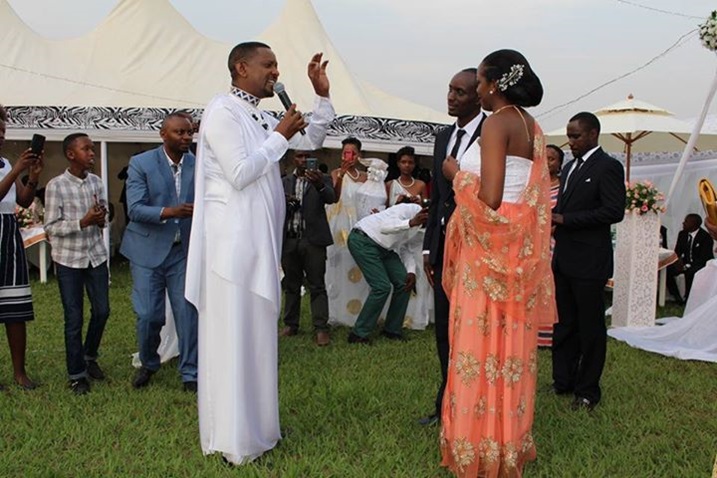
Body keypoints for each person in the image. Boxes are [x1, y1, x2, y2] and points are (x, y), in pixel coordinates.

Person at [185, 42, 334, 465]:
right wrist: (279, 137)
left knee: (256, 342)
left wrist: (321, 96)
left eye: (277, 66)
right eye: (268, 65)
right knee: (234, 341)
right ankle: (234, 440)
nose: (275, 72)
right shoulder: (223, 111)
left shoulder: (262, 115)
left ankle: (260, 430)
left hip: (258, 243)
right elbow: (239, 173)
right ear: (241, 67)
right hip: (231, 248)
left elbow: (311, 139)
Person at [438, 50, 554, 477]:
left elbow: (489, 197)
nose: (479, 90)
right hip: (515, 247)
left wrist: (455, 175)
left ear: (494, 84)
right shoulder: (531, 125)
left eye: (482, 82)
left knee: (479, 343)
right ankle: (506, 442)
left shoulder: (496, 123)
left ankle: (477, 447)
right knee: (509, 348)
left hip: (487, 248)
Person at [418, 68, 485, 427]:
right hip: (445, 245)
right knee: (444, 327)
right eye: (449, 90)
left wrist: (458, 176)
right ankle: (446, 402)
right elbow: (437, 200)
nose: (451, 97)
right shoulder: (443, 136)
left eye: (460, 92)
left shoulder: (493, 133)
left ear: (479, 95)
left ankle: (473, 406)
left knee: (472, 328)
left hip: (478, 247)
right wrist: (430, 248)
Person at [551, 111, 626, 411]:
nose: (570, 142)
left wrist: (566, 219)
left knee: (590, 327)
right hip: (564, 258)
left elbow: (613, 211)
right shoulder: (569, 167)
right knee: (564, 323)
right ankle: (563, 380)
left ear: (593, 134)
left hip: (590, 261)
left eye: (576, 136)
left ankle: (587, 390)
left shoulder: (608, 166)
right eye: (569, 136)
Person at [120, 113, 198, 392]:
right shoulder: (141, 163)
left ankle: (190, 373)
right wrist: (171, 212)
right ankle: (149, 362)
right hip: (146, 250)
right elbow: (135, 208)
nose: (186, 137)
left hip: (183, 251)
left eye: (189, 132)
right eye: (180, 132)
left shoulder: (199, 163)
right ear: (163, 134)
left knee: (187, 313)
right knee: (148, 315)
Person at [44, 133, 110, 395]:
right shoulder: (56, 186)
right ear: (71, 154)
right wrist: (82, 222)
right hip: (68, 260)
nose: (92, 153)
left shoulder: (96, 182)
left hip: (96, 256)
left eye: (93, 149)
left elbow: (103, 216)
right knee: (74, 318)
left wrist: (102, 218)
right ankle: (77, 374)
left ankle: (89, 356)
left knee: (102, 311)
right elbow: (51, 227)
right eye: (86, 149)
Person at [0, 104, 43, 391]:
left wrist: (33, 175)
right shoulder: (9, 166)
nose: (1, 135)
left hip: (8, 234)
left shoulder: (4, 163)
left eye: (3, 130)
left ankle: (19, 372)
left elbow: (24, 201)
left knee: (15, 307)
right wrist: (17, 168)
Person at [345, 202, 428, 343]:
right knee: (381, 287)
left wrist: (411, 271)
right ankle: (358, 334)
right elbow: (385, 227)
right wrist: (411, 222)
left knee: (404, 282)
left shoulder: (426, 229)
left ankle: (392, 330)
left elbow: (405, 248)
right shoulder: (409, 209)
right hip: (363, 239)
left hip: (385, 248)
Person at [280, 149, 336, 346]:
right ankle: (290, 325)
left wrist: (319, 184)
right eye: (299, 156)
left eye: (307, 156)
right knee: (291, 284)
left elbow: (331, 198)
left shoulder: (323, 178)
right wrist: (284, 201)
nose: (303, 160)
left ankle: (321, 328)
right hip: (289, 238)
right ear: (293, 158)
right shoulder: (285, 181)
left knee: (317, 285)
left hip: (313, 240)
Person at [385, 147, 432, 330]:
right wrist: (397, 204)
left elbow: (427, 210)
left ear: (415, 164)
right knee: (398, 272)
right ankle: (395, 313)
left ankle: (416, 315)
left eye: (410, 162)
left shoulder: (420, 185)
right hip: (397, 235)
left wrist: (419, 203)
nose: (406, 165)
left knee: (418, 273)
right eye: (403, 162)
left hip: (416, 235)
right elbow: (385, 212)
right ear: (398, 163)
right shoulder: (390, 185)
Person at [325, 137, 369, 328]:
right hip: (339, 225)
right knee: (338, 266)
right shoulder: (336, 173)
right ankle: (335, 312)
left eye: (352, 153)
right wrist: (342, 174)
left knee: (357, 266)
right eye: (344, 153)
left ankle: (357, 311)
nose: (348, 157)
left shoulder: (366, 177)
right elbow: (334, 197)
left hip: (359, 223)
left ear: (359, 155)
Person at [537, 144, 564, 348]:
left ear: (560, 163)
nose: (547, 162)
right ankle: (535, 335)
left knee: (553, 288)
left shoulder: (563, 187)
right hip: (533, 243)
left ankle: (551, 334)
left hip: (555, 244)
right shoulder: (533, 185)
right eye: (543, 157)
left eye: (551, 159)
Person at [665, 213, 714, 304]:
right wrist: (677, 261)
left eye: (686, 221)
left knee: (691, 272)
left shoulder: (705, 237)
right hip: (685, 262)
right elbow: (677, 251)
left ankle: (688, 298)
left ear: (694, 224)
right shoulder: (682, 234)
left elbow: (704, 258)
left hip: (699, 264)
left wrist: (687, 266)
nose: (683, 223)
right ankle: (677, 297)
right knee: (667, 270)